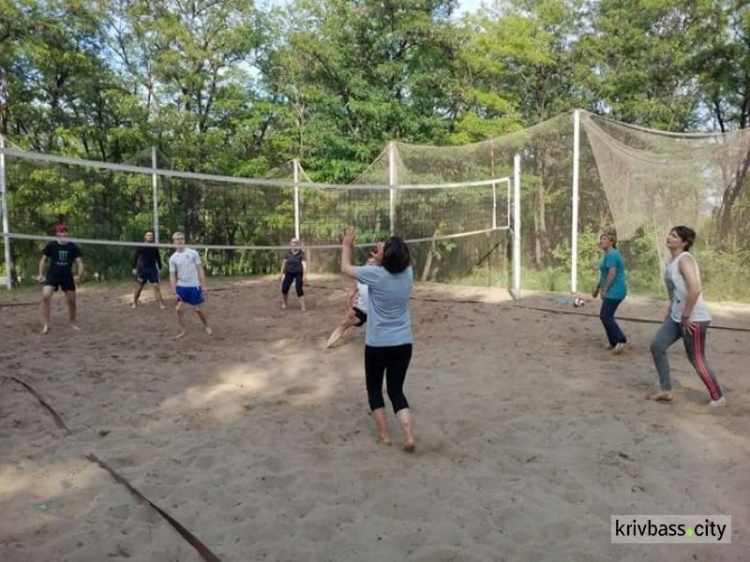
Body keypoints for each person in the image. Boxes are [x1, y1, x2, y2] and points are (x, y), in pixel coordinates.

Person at [341, 229, 416, 452]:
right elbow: (394, 261)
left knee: (374, 389)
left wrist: (346, 246)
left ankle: (384, 435)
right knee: (396, 390)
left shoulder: (374, 274)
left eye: (383, 248)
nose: (379, 247)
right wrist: (382, 257)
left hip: (378, 344)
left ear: (385, 257)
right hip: (403, 343)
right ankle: (409, 436)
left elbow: (345, 268)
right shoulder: (409, 273)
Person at [649, 226, 725, 407]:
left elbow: (695, 289)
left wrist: (686, 315)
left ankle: (718, 397)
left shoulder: (685, 260)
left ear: (684, 242)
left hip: (693, 319)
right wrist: (670, 311)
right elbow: (677, 292)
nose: (669, 237)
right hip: (678, 317)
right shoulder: (672, 262)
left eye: (674, 236)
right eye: (670, 234)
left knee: (696, 359)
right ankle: (666, 390)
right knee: (657, 345)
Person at [38, 223, 84, 334]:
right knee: (46, 297)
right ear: (57, 234)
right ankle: (46, 325)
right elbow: (43, 260)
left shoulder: (72, 247)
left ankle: (72, 322)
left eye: (65, 231)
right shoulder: (51, 245)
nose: (64, 233)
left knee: (72, 300)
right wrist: (40, 274)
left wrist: (79, 275)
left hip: (67, 276)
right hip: (52, 275)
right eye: (61, 231)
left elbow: (80, 263)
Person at [326, 256, 377, 348]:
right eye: (369, 262)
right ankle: (329, 345)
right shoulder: (358, 280)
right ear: (365, 265)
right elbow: (349, 297)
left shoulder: (380, 280)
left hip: (375, 312)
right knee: (344, 324)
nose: (372, 264)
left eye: (374, 263)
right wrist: (349, 309)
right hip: (360, 310)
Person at [168, 232, 212, 339]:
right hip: (181, 287)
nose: (180, 241)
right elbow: (172, 275)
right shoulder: (173, 258)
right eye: (177, 239)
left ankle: (206, 325)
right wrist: (174, 289)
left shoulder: (193, 253)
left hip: (194, 286)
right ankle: (183, 330)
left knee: (198, 309)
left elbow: (200, 269)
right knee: (178, 309)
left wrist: (204, 285)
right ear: (174, 242)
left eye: (182, 239)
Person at [592, 232, 628, 353]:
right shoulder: (606, 256)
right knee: (606, 316)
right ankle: (614, 342)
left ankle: (621, 340)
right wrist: (598, 288)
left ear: (611, 242)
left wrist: (605, 289)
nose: (601, 241)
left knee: (605, 315)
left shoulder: (612, 254)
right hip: (611, 289)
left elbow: (612, 274)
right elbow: (605, 274)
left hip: (616, 289)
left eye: (605, 239)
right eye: (601, 239)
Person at [131, 230, 166, 309]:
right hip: (143, 269)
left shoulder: (154, 246)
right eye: (148, 235)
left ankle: (161, 304)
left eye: (151, 235)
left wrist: (160, 268)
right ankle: (134, 302)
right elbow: (136, 257)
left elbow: (158, 258)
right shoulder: (141, 246)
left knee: (156, 286)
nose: (150, 236)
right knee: (139, 287)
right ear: (145, 236)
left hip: (153, 269)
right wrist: (134, 268)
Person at [279, 238, 308, 311]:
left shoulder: (302, 254)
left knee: (298, 288)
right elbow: (284, 264)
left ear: (299, 245)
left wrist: (304, 276)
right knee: (284, 288)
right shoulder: (288, 253)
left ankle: (303, 306)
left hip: (298, 273)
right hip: (289, 272)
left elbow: (304, 265)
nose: (295, 244)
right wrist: (281, 274)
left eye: (296, 243)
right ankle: (285, 303)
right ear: (291, 244)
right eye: (293, 243)